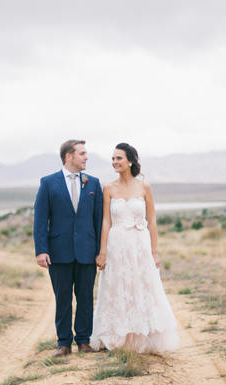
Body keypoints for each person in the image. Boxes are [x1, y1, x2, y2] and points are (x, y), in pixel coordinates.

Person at [90, 142, 179, 353]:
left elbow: (152, 221)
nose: (114, 162)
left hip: (140, 244)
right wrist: (102, 252)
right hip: (117, 244)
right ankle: (116, 336)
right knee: (117, 287)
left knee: (142, 287)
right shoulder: (109, 188)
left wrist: (154, 251)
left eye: (118, 158)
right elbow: (106, 222)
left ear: (130, 160)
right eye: (113, 159)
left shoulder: (144, 187)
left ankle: (144, 335)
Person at [33, 140, 103, 357]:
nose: (86, 157)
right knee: (62, 298)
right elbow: (40, 219)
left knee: (85, 297)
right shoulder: (48, 183)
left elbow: (98, 221)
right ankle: (63, 343)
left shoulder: (93, 183)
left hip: (87, 252)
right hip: (58, 252)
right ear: (68, 157)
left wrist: (101, 251)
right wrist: (41, 250)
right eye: (82, 153)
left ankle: (83, 341)